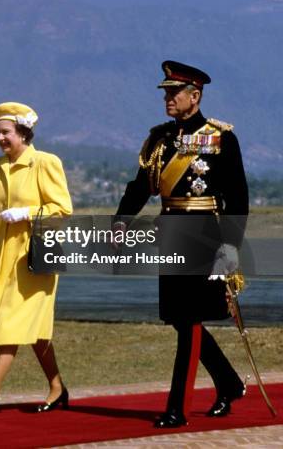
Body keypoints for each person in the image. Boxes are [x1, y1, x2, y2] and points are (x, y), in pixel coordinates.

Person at [115, 61, 249, 428]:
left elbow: (237, 197)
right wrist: (122, 220)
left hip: (204, 233)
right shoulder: (160, 138)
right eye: (166, 93)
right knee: (178, 318)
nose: (168, 99)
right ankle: (229, 382)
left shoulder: (220, 137)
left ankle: (177, 408)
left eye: (174, 93)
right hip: (170, 230)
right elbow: (141, 185)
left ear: (196, 95)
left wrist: (231, 246)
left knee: (189, 320)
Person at [0, 101, 72, 417]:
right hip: (2, 261)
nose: (0, 138)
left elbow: (62, 211)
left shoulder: (45, 163)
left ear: (23, 133)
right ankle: (57, 387)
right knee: (33, 330)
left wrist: (26, 213)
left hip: (34, 258)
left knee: (10, 324)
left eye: (5, 132)